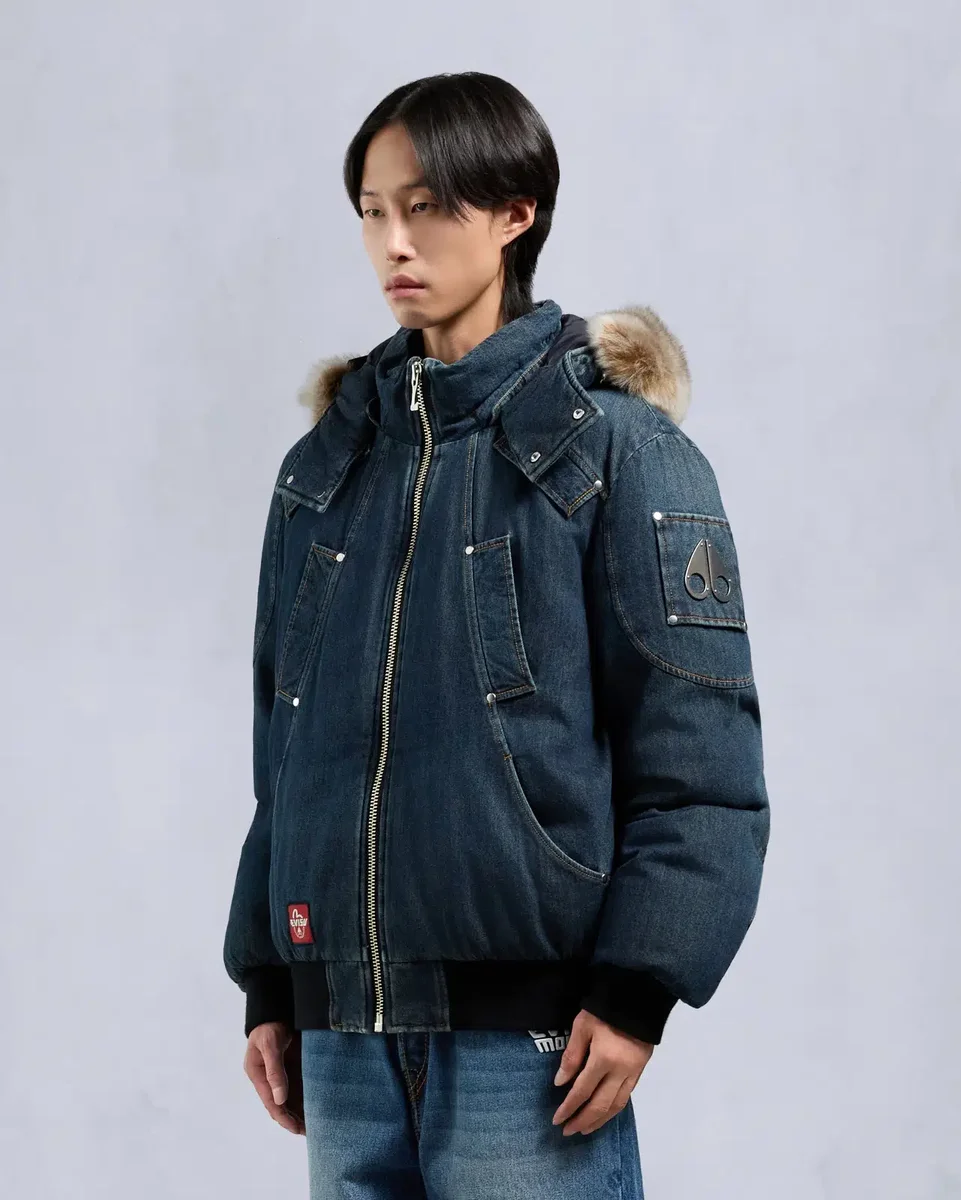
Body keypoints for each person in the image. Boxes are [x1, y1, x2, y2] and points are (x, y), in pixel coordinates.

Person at [222, 71, 770, 1199]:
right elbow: (287, 759)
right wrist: (273, 980)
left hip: (531, 1049)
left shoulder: (616, 453)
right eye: (373, 211)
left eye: (427, 206)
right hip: (342, 1041)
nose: (394, 242)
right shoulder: (325, 472)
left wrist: (637, 988)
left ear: (516, 212)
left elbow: (701, 764)